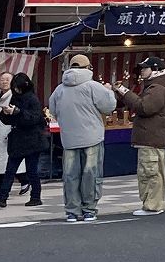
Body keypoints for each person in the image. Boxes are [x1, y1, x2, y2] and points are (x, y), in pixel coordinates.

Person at [47, 54, 117, 222]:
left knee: (70, 175)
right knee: (90, 174)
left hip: (69, 138)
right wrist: (109, 91)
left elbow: (53, 110)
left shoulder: (59, 89)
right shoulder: (94, 86)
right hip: (92, 137)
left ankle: (72, 211)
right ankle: (89, 210)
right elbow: (109, 107)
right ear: (88, 67)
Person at [119, 55, 165, 217]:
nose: (142, 71)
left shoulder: (158, 88)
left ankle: (152, 206)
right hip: (152, 139)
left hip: (151, 139)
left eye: (145, 68)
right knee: (150, 172)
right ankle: (151, 204)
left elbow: (145, 107)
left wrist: (124, 91)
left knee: (150, 173)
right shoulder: (156, 86)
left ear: (156, 70)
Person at [0, 72, 49, 206]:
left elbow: (34, 118)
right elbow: (8, 120)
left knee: (31, 171)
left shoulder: (32, 99)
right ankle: (2, 197)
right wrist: (6, 113)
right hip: (18, 139)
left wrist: (18, 112)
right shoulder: (15, 98)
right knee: (10, 170)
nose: (16, 90)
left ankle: (35, 197)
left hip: (32, 140)